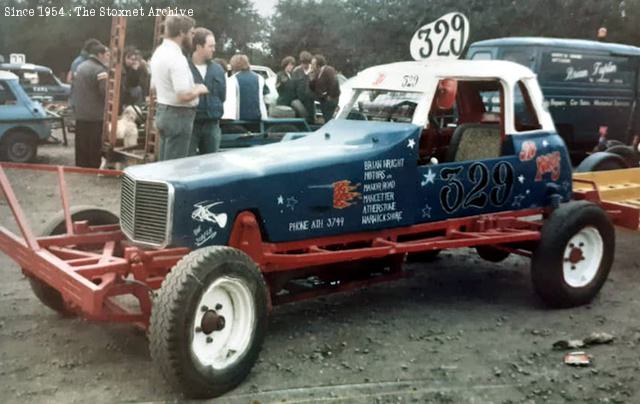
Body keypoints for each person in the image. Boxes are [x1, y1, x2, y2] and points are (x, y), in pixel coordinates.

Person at [149, 15, 209, 161]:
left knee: (163, 164)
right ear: (182, 32)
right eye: (191, 32)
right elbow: (183, 95)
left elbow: (153, 87)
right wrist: (199, 88)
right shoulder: (176, 57)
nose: (192, 36)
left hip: (163, 111)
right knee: (174, 168)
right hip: (179, 116)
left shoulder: (159, 53)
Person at [70, 41, 110, 168]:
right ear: (99, 55)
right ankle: (93, 165)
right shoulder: (100, 70)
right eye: (106, 55)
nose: (107, 57)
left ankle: (81, 164)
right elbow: (104, 92)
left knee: (81, 140)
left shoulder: (80, 67)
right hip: (95, 114)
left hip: (80, 112)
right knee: (94, 142)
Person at [188, 28, 226, 155]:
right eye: (210, 46)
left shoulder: (218, 69)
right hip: (190, 125)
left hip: (212, 125)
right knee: (186, 165)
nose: (214, 49)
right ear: (199, 46)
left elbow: (222, 95)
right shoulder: (184, 68)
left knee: (213, 166)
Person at [225, 54, 267, 121]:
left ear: (233, 66)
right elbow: (266, 96)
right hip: (259, 118)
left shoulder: (232, 80)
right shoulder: (260, 78)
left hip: (240, 119)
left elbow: (229, 103)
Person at [310, 54, 341, 122]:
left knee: (328, 119)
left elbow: (334, 83)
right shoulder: (317, 73)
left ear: (318, 64)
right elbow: (313, 87)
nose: (311, 66)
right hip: (323, 101)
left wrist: (330, 96)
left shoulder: (329, 70)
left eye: (313, 64)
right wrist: (311, 78)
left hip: (330, 100)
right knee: (326, 118)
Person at [291, 50, 316, 124]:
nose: (305, 65)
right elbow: (293, 85)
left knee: (310, 119)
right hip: (299, 99)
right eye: (303, 63)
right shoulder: (296, 71)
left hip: (310, 100)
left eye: (307, 63)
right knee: (299, 119)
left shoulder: (313, 71)